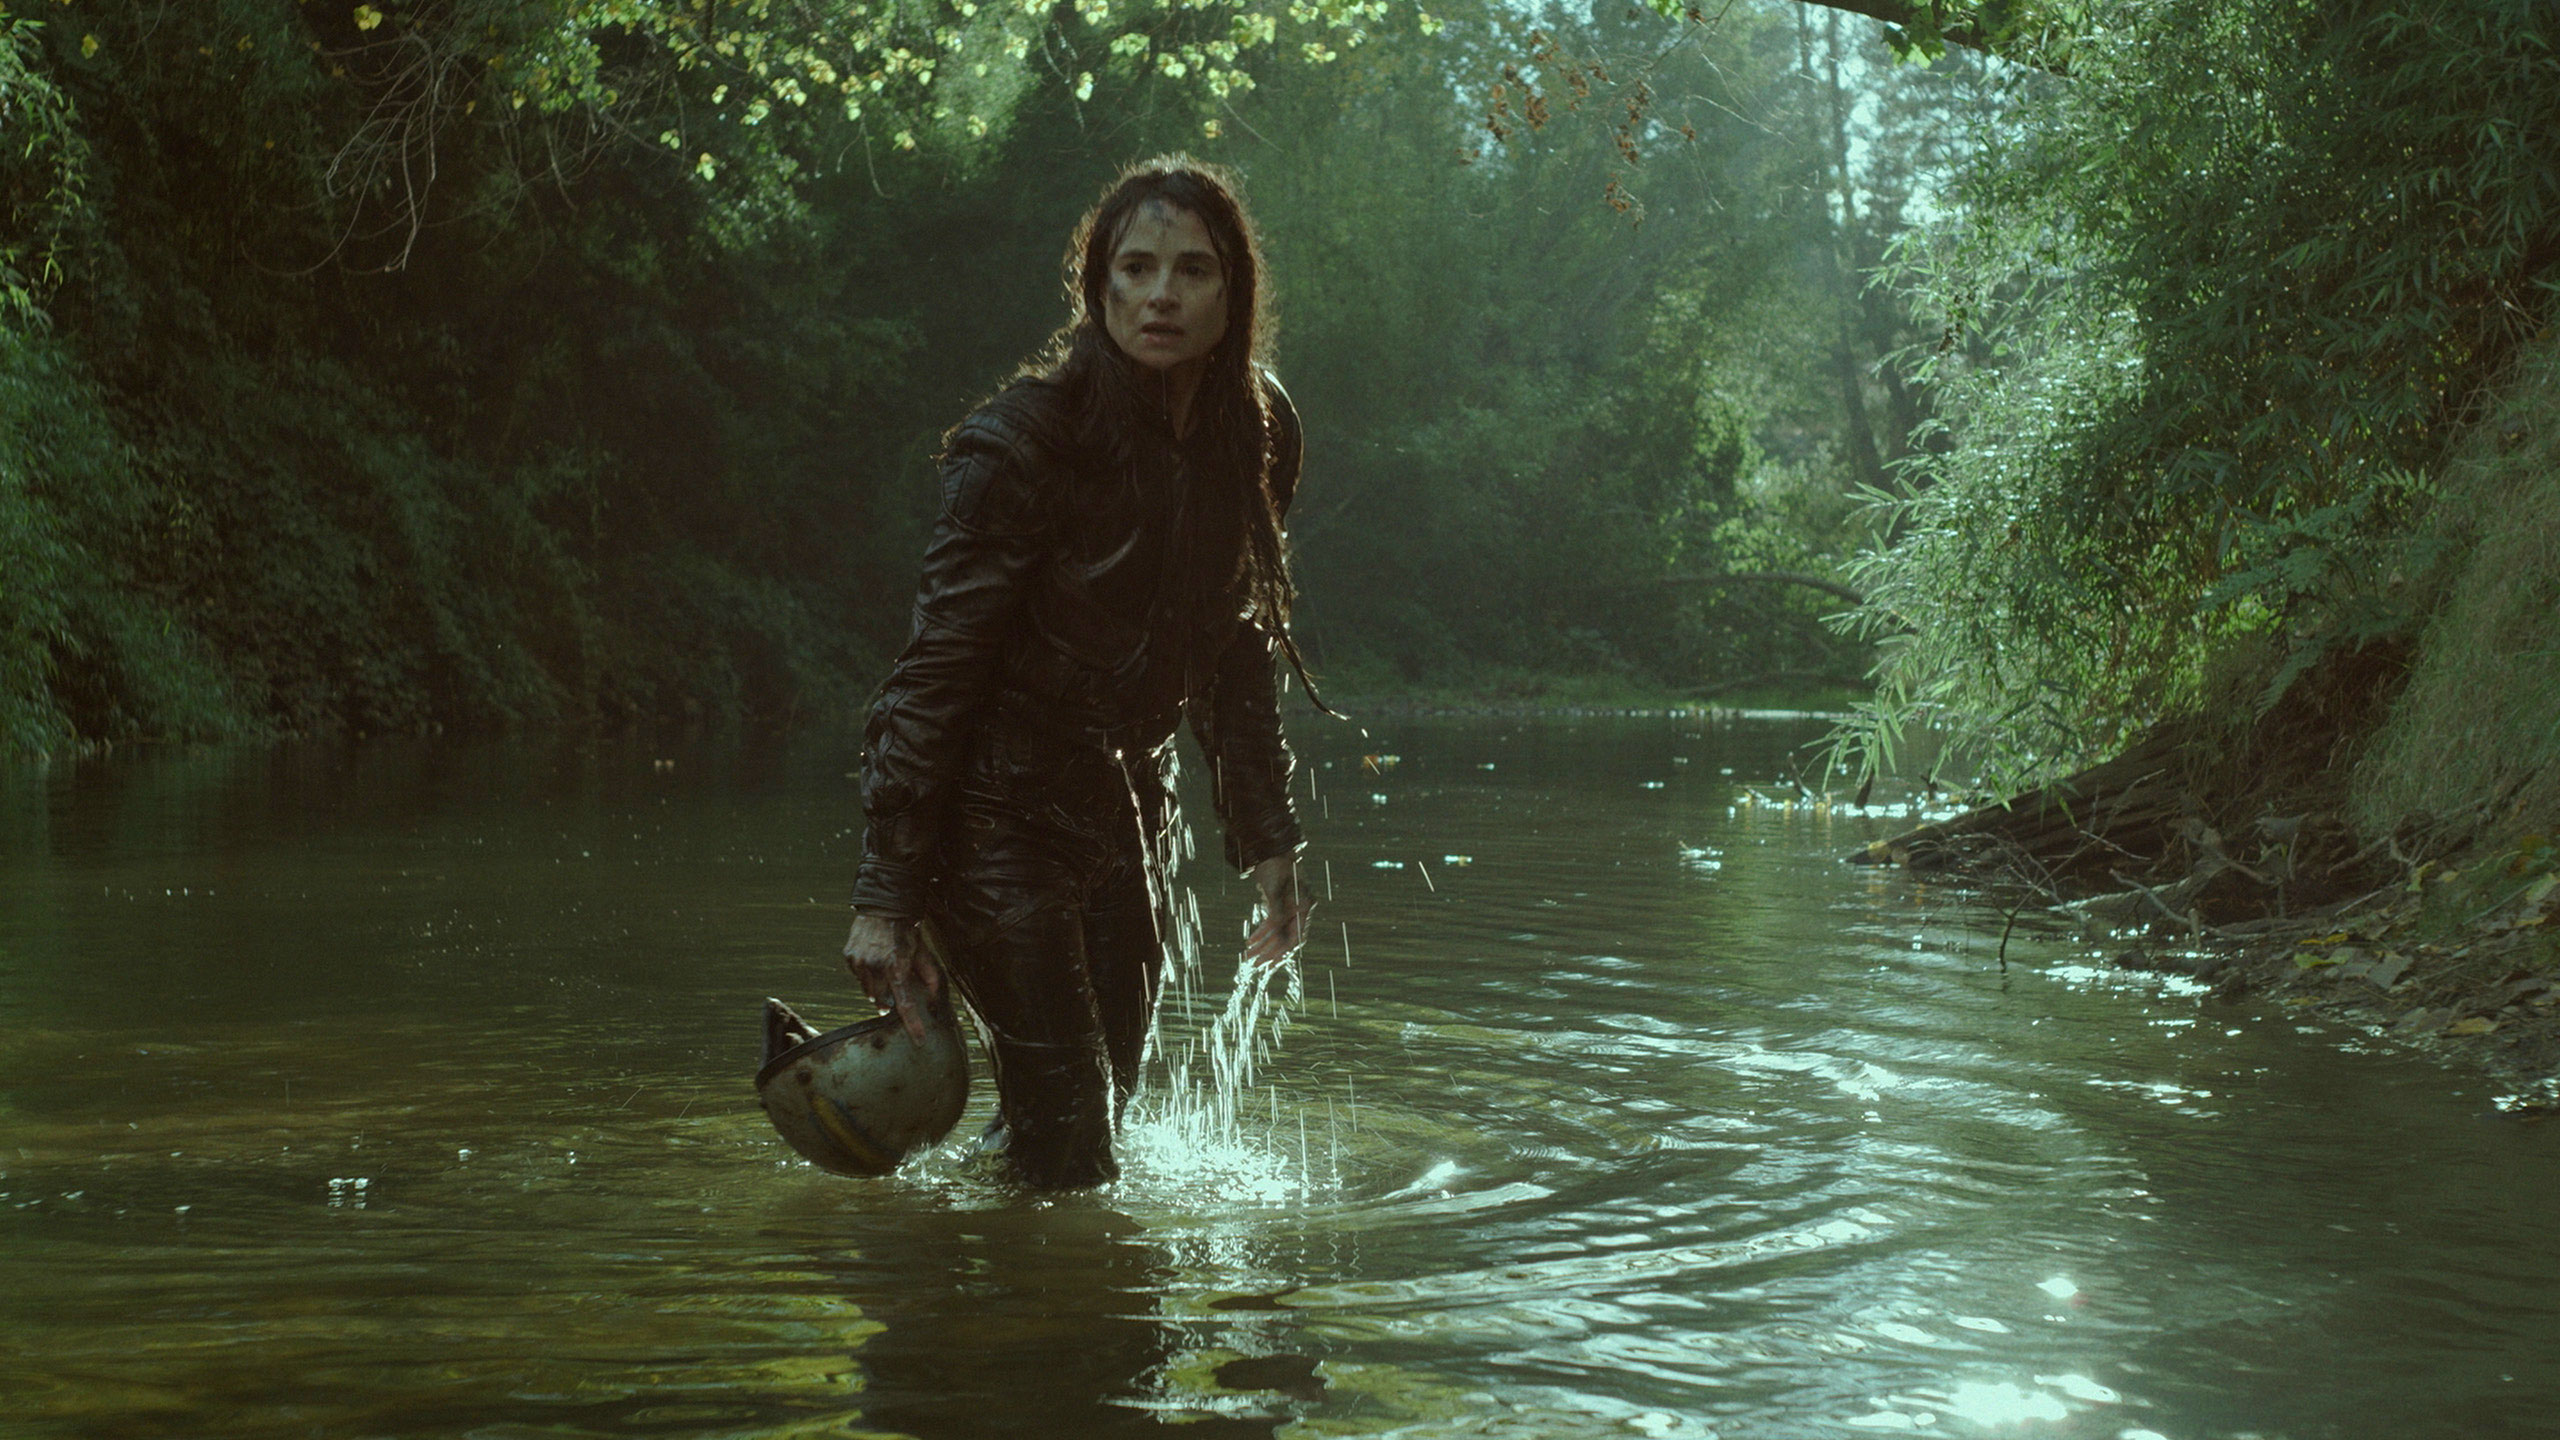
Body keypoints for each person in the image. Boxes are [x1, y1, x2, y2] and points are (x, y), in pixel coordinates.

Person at [840, 157, 1318, 1189]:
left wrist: (1267, 839)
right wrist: (885, 897)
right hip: (989, 815)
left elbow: (1235, 649)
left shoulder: (1256, 431)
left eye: (1192, 270)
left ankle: (973, 1257)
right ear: (1098, 287)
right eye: (1136, 269)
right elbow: (933, 676)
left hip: (1121, 802)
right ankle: (997, 1279)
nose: (1161, 294)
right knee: (1072, 1144)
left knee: (1093, 1114)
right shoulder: (1023, 442)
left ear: (1233, 293)